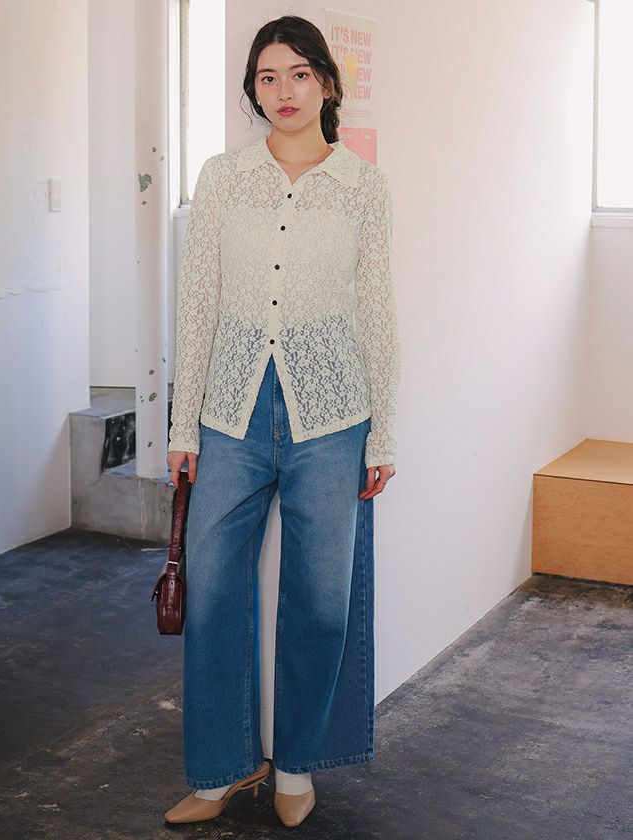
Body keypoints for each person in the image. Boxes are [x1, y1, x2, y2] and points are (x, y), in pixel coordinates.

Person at [163, 14, 400, 829]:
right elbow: (197, 304)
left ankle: (296, 764)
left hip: (332, 415)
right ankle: (223, 767)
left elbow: (376, 312)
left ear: (327, 83)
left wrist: (384, 431)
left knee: (322, 598)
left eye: (299, 74)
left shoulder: (363, 187)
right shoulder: (223, 177)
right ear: (253, 91)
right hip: (229, 409)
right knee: (214, 590)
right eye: (268, 77)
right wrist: (182, 428)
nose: (284, 91)